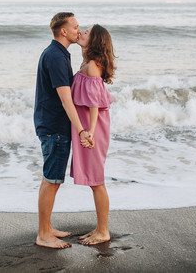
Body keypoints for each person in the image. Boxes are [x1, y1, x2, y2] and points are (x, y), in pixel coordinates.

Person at [33, 12, 94, 249]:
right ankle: (43, 234)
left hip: (52, 124)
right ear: (63, 31)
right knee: (51, 180)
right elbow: (66, 100)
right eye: (76, 27)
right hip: (54, 127)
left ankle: (47, 228)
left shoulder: (57, 53)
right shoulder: (56, 57)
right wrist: (81, 131)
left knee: (51, 179)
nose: (79, 31)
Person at [70, 24, 116, 245]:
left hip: (93, 128)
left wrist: (90, 132)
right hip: (89, 127)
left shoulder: (92, 66)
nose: (82, 33)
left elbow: (95, 105)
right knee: (94, 180)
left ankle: (103, 231)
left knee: (97, 180)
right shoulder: (87, 63)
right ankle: (100, 228)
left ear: (95, 41)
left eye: (86, 32)